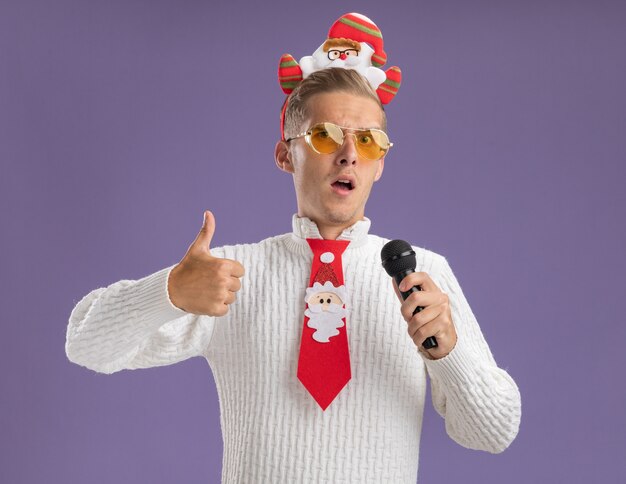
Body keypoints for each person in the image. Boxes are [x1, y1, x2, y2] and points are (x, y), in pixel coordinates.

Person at [65, 16, 521, 484]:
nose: (348, 154)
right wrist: (169, 292)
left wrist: (451, 353)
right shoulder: (230, 275)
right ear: (286, 154)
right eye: (325, 135)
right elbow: (85, 344)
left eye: (367, 141)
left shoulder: (424, 276)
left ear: (380, 163)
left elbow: (494, 433)